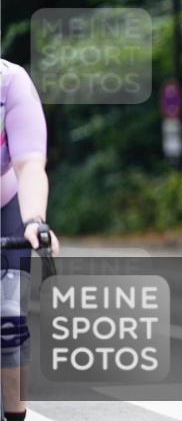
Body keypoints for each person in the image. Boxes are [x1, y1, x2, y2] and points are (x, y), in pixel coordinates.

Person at [1, 59, 59, 421]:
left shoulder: (11, 82)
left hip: (5, 204)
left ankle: (14, 413)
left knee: (8, 316)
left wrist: (35, 220)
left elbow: (30, 166)